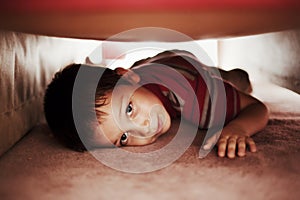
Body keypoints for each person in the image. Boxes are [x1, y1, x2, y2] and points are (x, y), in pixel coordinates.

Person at [44, 49, 269, 158]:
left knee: (238, 81)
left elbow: (257, 108)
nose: (144, 129)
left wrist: (238, 127)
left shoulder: (193, 95)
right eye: (123, 138)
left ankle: (233, 74)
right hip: (151, 66)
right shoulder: (131, 83)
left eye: (129, 110)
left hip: (188, 67)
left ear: (127, 76)